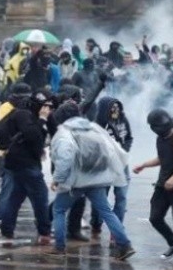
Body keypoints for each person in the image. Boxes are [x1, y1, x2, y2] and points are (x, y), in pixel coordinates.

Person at [49, 102, 135, 260]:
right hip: (97, 179)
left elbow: (65, 158)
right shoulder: (94, 128)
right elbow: (113, 150)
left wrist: (57, 179)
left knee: (59, 209)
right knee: (106, 212)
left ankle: (59, 248)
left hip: (76, 182)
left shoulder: (64, 133)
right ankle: (125, 245)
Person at [133, 109, 173, 267]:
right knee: (155, 218)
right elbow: (161, 158)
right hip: (162, 185)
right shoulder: (160, 138)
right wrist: (144, 165)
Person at [0, 90, 54, 243]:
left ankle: (7, 230)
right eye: (45, 106)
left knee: (16, 195)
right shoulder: (25, 115)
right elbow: (33, 135)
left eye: (50, 107)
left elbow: (37, 139)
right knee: (41, 196)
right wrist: (42, 119)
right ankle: (44, 232)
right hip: (24, 163)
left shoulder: (28, 114)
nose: (48, 110)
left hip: (22, 162)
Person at [90, 97, 132, 238]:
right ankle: (96, 222)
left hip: (122, 164)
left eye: (117, 107)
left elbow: (129, 138)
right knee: (101, 197)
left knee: (121, 197)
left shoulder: (123, 121)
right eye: (112, 108)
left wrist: (124, 150)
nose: (115, 110)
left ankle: (116, 228)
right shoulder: (96, 126)